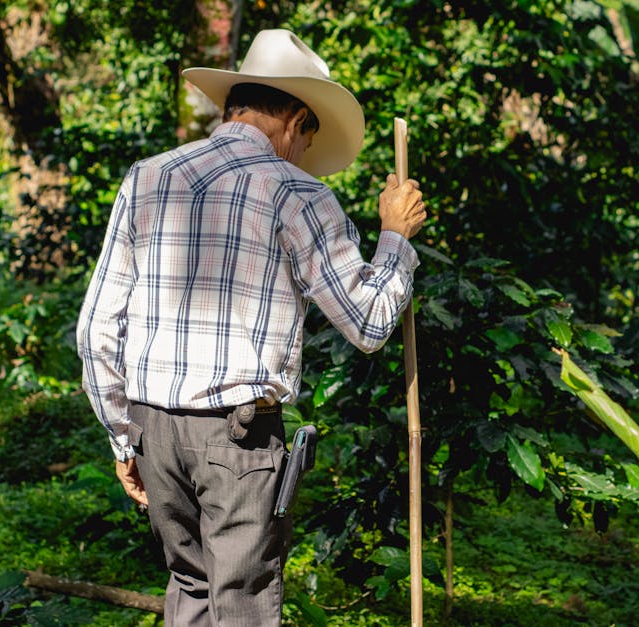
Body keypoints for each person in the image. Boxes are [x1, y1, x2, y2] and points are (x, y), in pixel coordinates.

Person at [76, 29, 426, 626]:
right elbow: (367, 322)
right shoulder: (296, 193)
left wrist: (122, 436)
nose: (303, 152)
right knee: (242, 607)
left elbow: (96, 328)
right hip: (236, 439)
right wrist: (395, 237)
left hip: (153, 429)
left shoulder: (148, 176)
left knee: (189, 589)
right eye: (307, 138)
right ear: (293, 119)